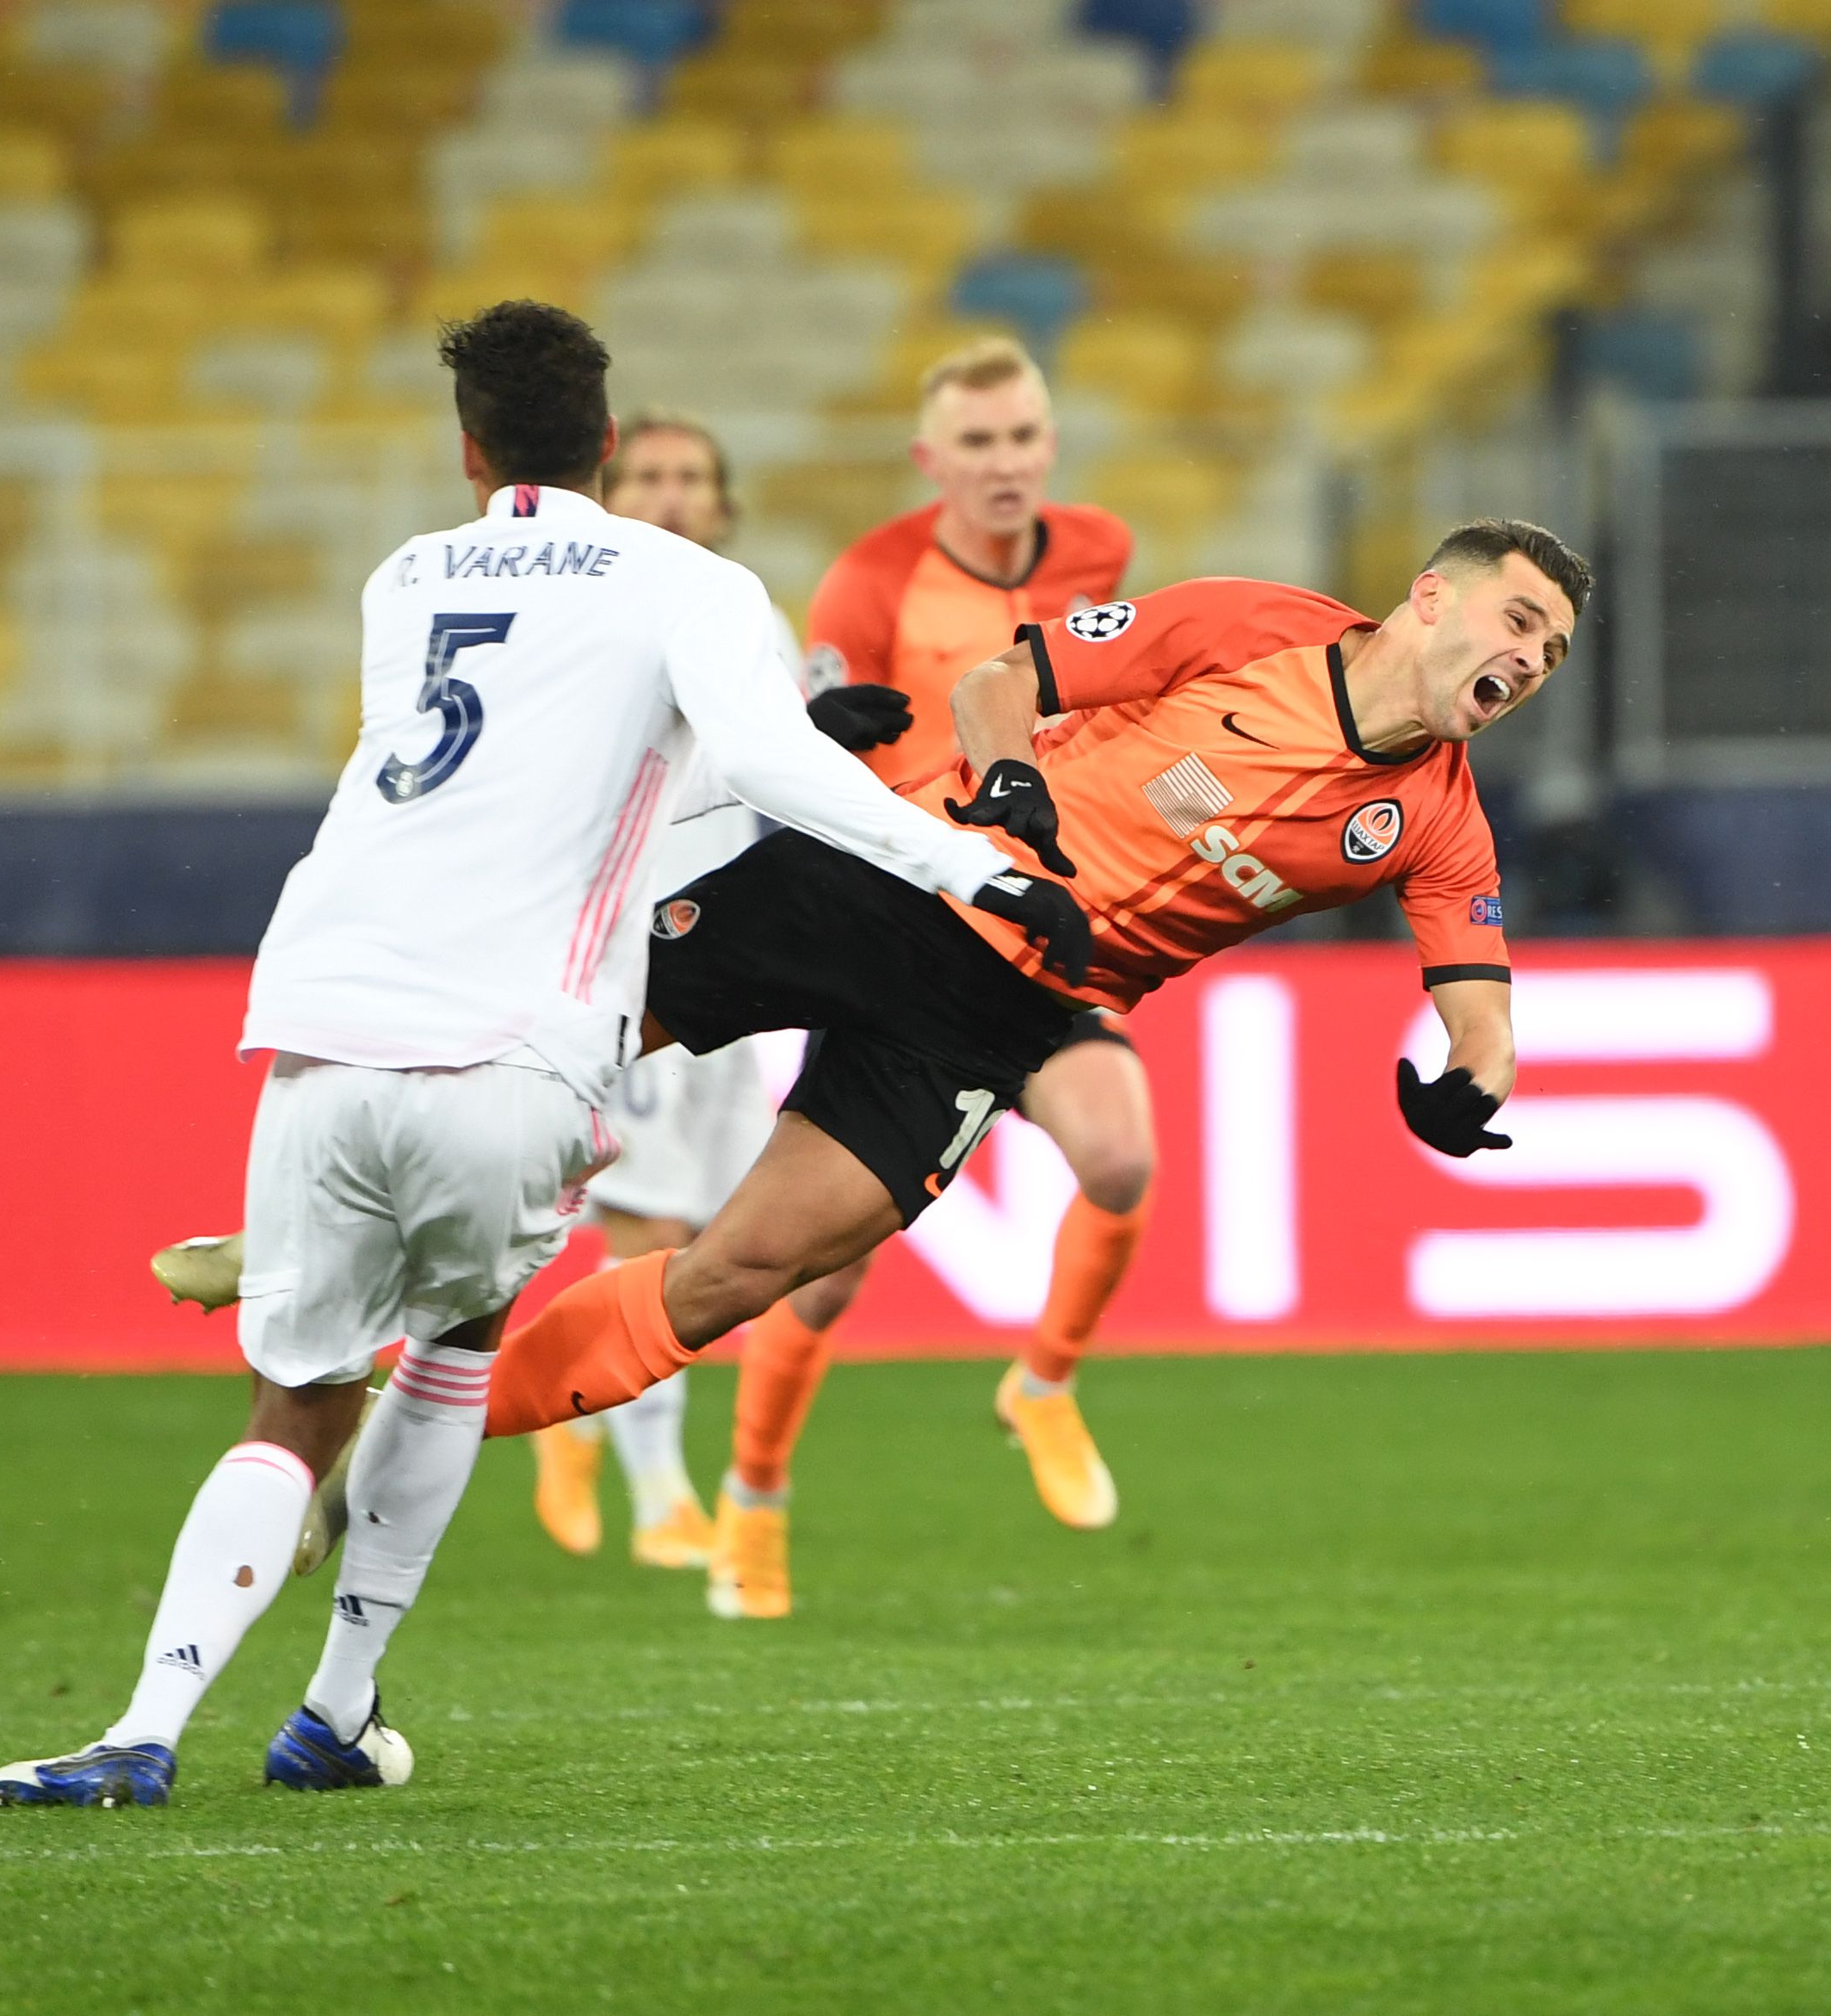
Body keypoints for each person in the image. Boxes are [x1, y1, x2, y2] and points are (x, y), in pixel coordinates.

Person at [0, 301, 1068, 1808]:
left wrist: (792, 736)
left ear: (469, 447)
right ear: (611, 444)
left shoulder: (405, 576)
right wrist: (964, 862)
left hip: (320, 1024)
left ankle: (139, 1731)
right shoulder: (688, 577)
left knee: (295, 1401)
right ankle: (336, 1708)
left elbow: (498, 786)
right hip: (512, 1050)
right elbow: (744, 768)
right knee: (453, 1351)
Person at [474, 522, 1587, 1506]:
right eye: (1521, 619)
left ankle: (416, 1431)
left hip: (997, 1019)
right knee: (564, 1040)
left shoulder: (1438, 823)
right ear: (1432, 595)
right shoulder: (1248, 624)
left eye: (1552, 652)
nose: (1532, 659)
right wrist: (1011, 778)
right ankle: (359, 1237)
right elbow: (996, 683)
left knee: (738, 1275)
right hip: (906, 878)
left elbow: (1482, 1018)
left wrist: (1471, 1086)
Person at [710, 335, 1141, 1623]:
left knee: (1119, 1159)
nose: (1003, 464)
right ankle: (755, 1493)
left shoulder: (1101, 552)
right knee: (823, 1271)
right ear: (929, 459)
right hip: (906, 935)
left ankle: (1044, 1384)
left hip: (1041, 926)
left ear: (1048, 445)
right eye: (977, 443)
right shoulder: (870, 581)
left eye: (1021, 438)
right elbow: (817, 759)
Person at [525, 413, 820, 1573]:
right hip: (622, 951)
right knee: (643, 1223)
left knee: (709, 1232)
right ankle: (656, 1491)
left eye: (692, 477)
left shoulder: (754, 618)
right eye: (646, 474)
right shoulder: (580, 617)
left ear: (722, 500)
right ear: (607, 489)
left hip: (731, 958)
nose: (670, 494)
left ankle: (581, 1423)